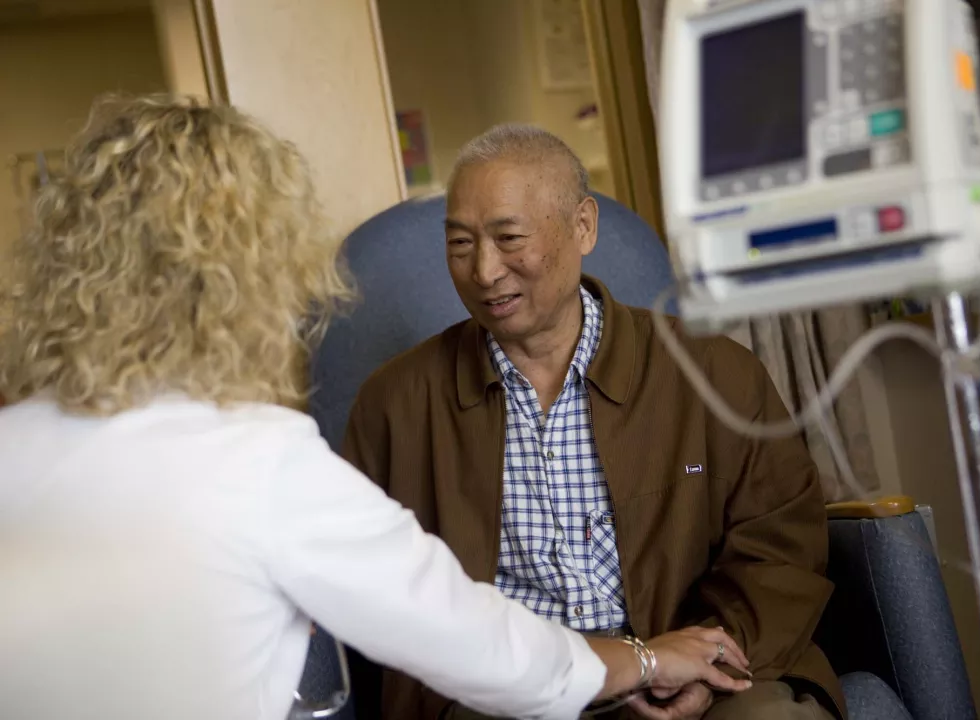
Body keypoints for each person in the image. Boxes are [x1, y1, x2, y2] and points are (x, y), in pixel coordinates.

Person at [0, 97, 746, 720]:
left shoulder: (11, 447)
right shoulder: (262, 461)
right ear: (249, 275)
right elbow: (482, 649)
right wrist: (648, 659)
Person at [344, 124, 844, 720]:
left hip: (698, 670)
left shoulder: (712, 372)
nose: (484, 271)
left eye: (509, 238)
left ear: (582, 226)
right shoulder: (396, 405)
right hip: (510, 698)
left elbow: (779, 545)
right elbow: (369, 585)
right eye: (460, 244)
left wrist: (709, 663)